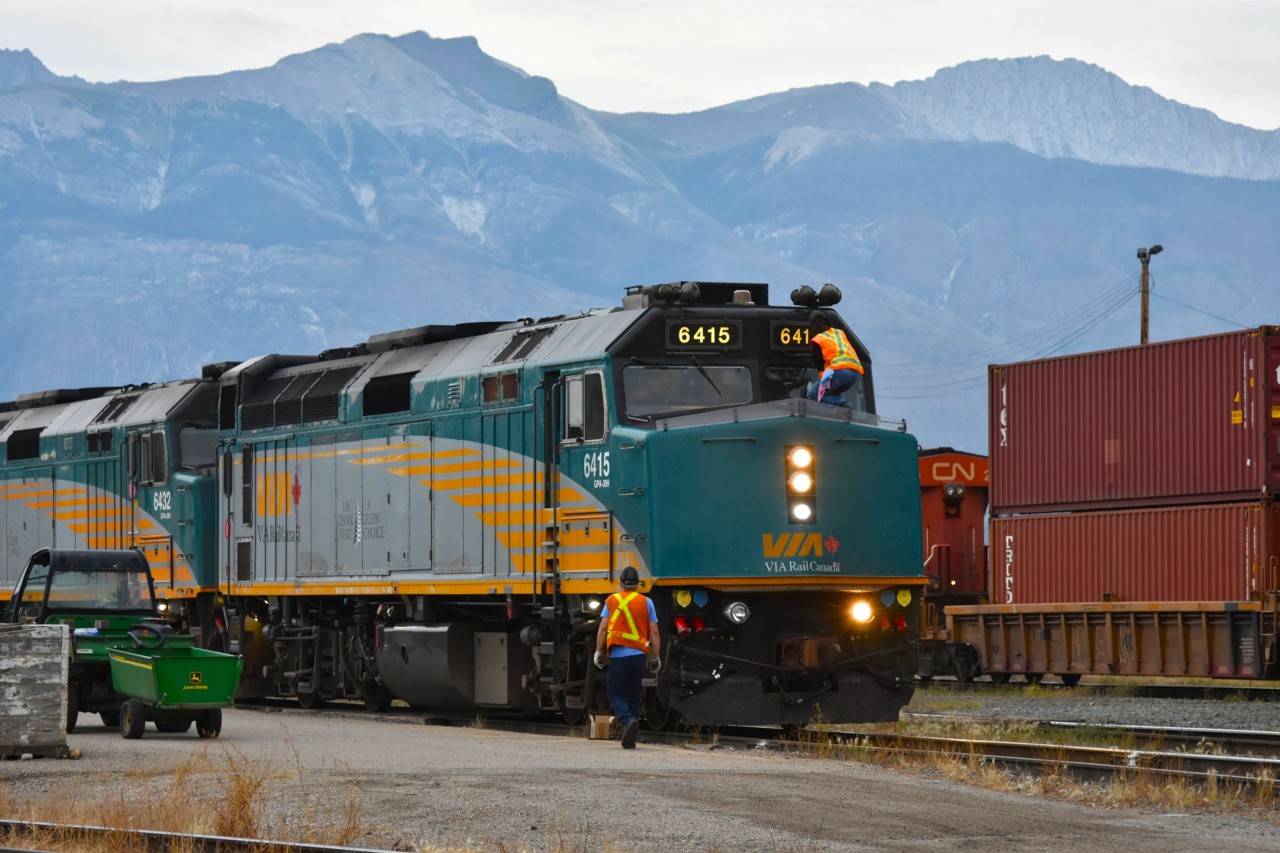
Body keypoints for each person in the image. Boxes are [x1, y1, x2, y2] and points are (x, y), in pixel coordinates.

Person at [593, 566, 660, 749]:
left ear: (620, 582)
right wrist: (656, 657)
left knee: (615, 694)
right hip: (639, 657)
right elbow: (654, 631)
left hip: (618, 657)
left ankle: (628, 720)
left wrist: (598, 652)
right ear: (638, 584)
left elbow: (603, 628)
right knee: (633, 695)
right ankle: (630, 738)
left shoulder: (611, 600)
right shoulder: (647, 602)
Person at [806, 315, 864, 409]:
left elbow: (819, 364)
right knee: (831, 394)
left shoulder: (818, 339)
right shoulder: (839, 333)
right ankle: (842, 406)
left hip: (840, 372)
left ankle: (844, 404)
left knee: (813, 394)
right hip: (855, 374)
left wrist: (822, 382)